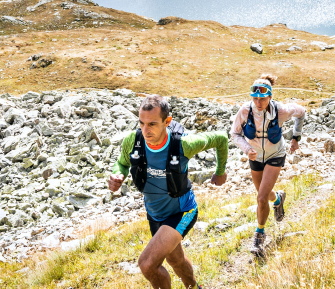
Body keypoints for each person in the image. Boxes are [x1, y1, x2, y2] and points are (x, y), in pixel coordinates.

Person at [108, 94, 229, 289]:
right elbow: (121, 164)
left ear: (167, 121)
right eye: (142, 123)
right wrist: (117, 176)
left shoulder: (184, 144)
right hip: (155, 214)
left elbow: (221, 138)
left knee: (147, 264)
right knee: (176, 259)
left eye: (152, 124)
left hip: (182, 211)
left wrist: (220, 171)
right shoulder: (133, 140)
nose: (145, 130)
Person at [230, 73, 305, 256]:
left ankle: (259, 236)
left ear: (270, 96)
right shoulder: (245, 111)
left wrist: (296, 137)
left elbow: (301, 112)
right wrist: (247, 149)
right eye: (255, 98)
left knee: (261, 198)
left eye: (262, 98)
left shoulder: (281, 110)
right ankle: (278, 199)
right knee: (264, 194)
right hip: (255, 157)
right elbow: (235, 134)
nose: (258, 102)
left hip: (275, 155)